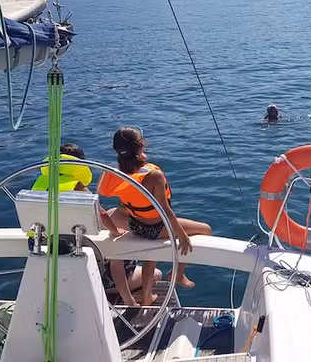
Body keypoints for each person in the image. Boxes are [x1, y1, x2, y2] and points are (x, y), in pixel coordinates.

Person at [97, 127, 212, 306]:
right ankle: (178, 275)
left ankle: (146, 297)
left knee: (150, 253)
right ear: (141, 145)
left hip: (135, 225)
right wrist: (181, 235)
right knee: (206, 229)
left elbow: (102, 193)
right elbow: (165, 210)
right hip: (156, 228)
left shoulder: (115, 174)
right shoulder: (154, 175)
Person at [31, 143, 159, 303]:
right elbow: (102, 214)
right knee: (156, 274)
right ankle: (127, 299)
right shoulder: (77, 187)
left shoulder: (40, 185)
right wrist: (115, 231)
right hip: (88, 273)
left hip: (50, 266)